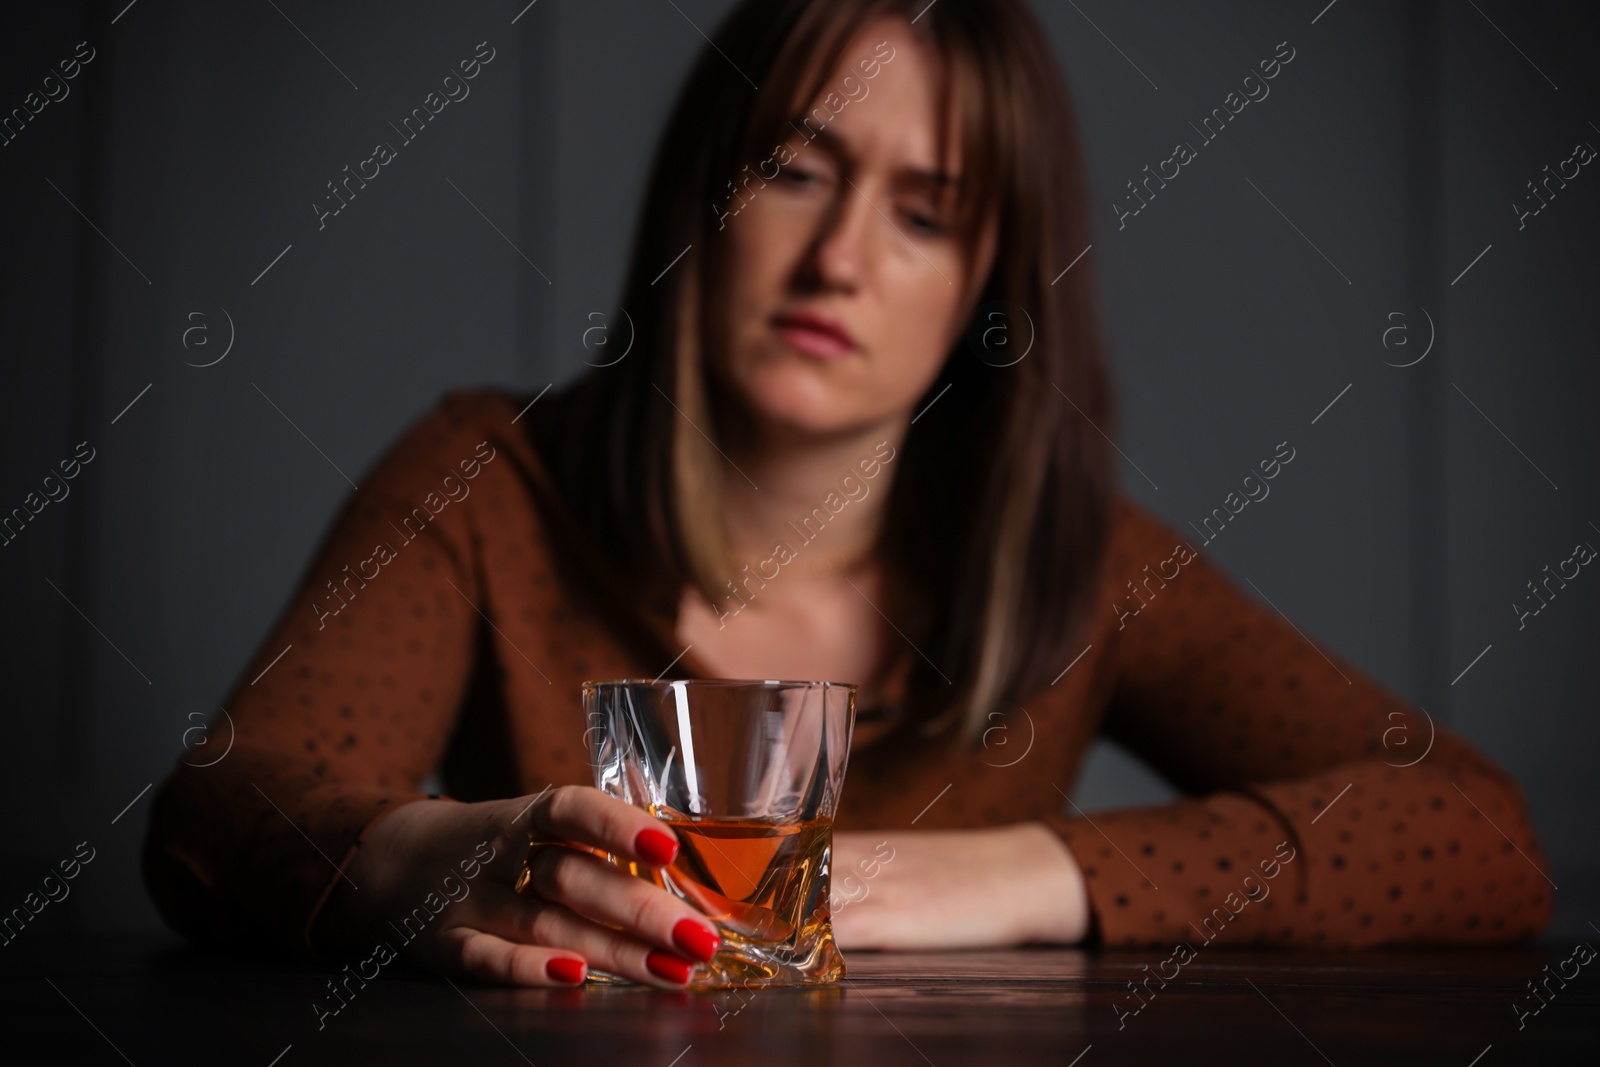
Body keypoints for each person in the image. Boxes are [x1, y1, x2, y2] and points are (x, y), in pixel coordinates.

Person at [142, 0, 1552, 990]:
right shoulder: (491, 484)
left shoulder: (1080, 569)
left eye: (924, 213)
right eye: (795, 172)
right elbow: (214, 820)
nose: (840, 260)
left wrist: (1010, 883)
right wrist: (432, 861)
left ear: (989, 290)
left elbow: (1479, 836)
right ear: (702, 201)